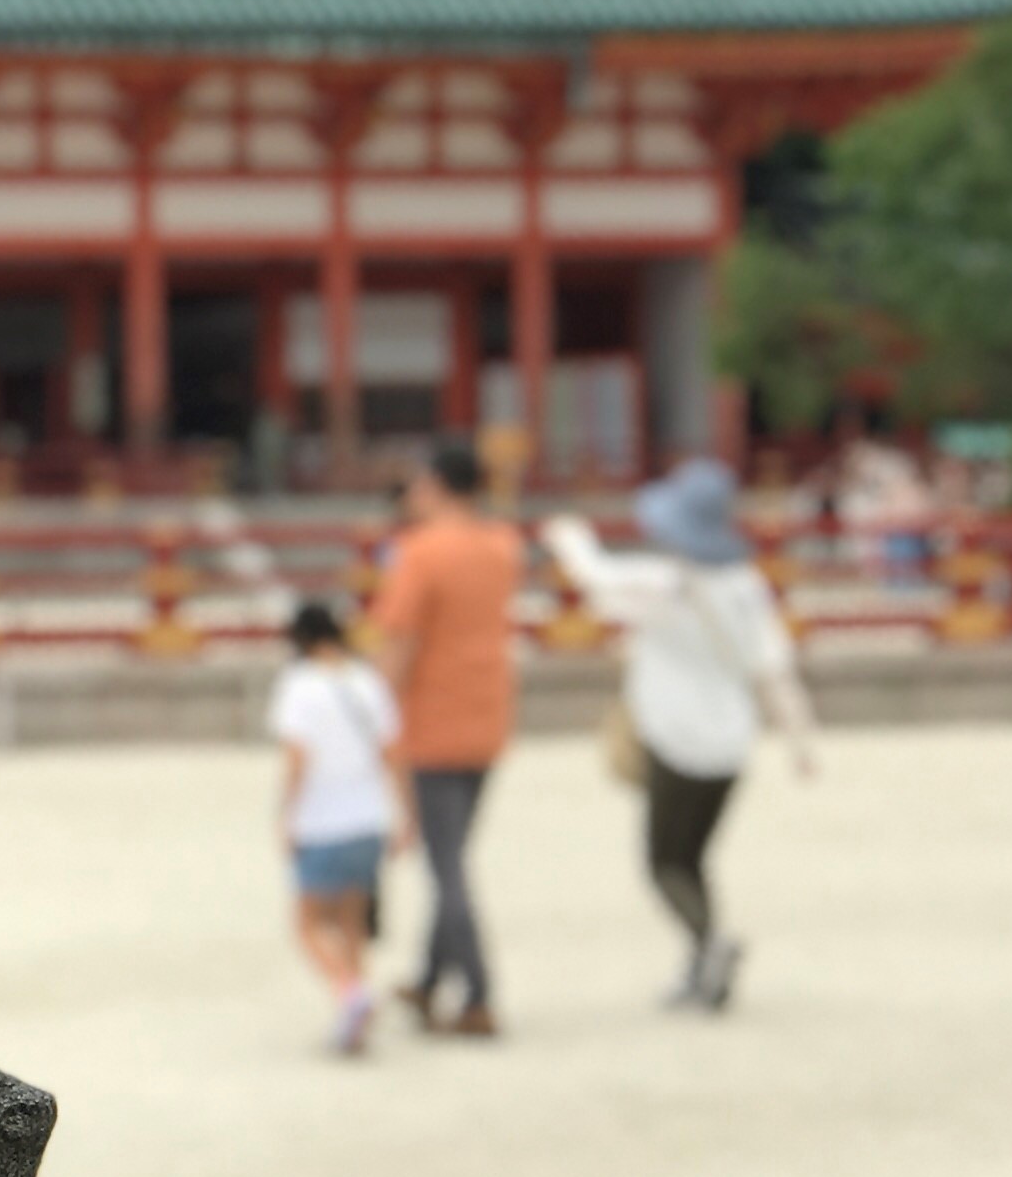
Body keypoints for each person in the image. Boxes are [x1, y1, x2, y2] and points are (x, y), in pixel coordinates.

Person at [543, 457, 816, 1011]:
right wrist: (800, 744)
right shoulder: (747, 587)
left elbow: (597, 578)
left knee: (664, 862)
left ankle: (710, 944)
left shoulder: (665, 584)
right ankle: (700, 964)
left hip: (676, 741)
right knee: (693, 858)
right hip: (732, 745)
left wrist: (570, 540)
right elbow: (774, 673)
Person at [368, 438, 523, 1037]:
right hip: (486, 712)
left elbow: (399, 643)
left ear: (433, 485)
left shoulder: (420, 552)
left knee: (445, 865)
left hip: (433, 719)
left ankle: (478, 993)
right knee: (451, 853)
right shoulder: (502, 545)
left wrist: (373, 716)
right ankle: (432, 979)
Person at [267, 597, 410, 1055]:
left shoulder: (299, 685)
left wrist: (286, 815)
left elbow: (298, 758)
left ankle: (350, 993)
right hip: (369, 817)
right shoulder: (367, 681)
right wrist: (406, 815)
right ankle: (355, 1010)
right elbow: (392, 753)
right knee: (352, 922)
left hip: (322, 819)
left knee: (307, 924)